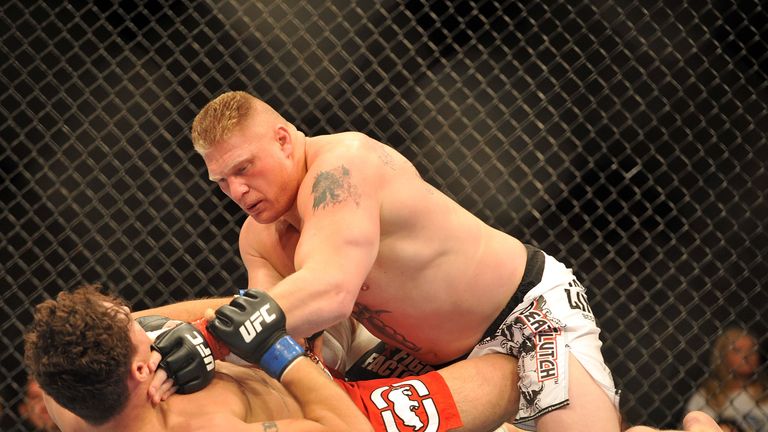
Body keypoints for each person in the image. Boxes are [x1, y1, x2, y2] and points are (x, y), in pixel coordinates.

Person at [152, 90, 619, 431]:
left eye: (243, 168)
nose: (236, 192)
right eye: (221, 182)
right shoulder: (258, 237)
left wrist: (209, 338)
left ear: (283, 140)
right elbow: (278, 322)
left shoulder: (343, 168)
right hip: (417, 356)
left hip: (524, 316)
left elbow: (330, 291)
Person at [24, 284, 521, 432]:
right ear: (137, 371)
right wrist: (275, 352)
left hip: (302, 371)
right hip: (337, 410)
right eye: (141, 337)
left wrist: (203, 339)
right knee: (510, 371)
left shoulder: (70, 387)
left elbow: (213, 312)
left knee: (305, 281)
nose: (148, 329)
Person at [684, 326, 768, 432]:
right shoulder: (705, 397)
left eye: (752, 349)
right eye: (738, 350)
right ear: (722, 355)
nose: (747, 355)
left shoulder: (765, 395)